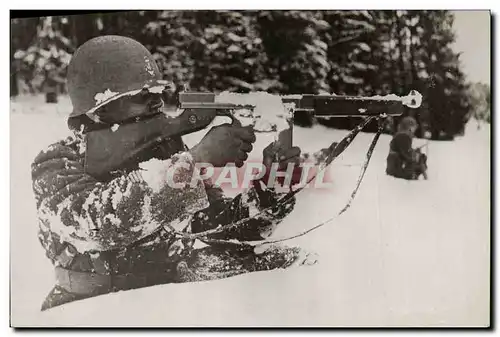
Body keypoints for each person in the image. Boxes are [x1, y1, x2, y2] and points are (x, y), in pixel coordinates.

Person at [31, 35, 315, 311]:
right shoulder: (56, 163)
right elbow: (98, 226)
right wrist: (197, 158)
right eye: (142, 95)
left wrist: (270, 188)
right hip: (93, 305)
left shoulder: (163, 149)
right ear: (100, 106)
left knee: (290, 261)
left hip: (169, 285)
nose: (156, 102)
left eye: (157, 93)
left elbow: (219, 228)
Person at [386, 116, 428, 180]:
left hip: (395, 166)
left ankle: (412, 174)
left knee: (420, 157)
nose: (415, 129)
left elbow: (404, 151)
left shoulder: (402, 135)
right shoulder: (403, 136)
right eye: (414, 127)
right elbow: (407, 154)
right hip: (397, 167)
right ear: (409, 127)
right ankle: (411, 175)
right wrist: (416, 155)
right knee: (421, 158)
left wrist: (414, 152)